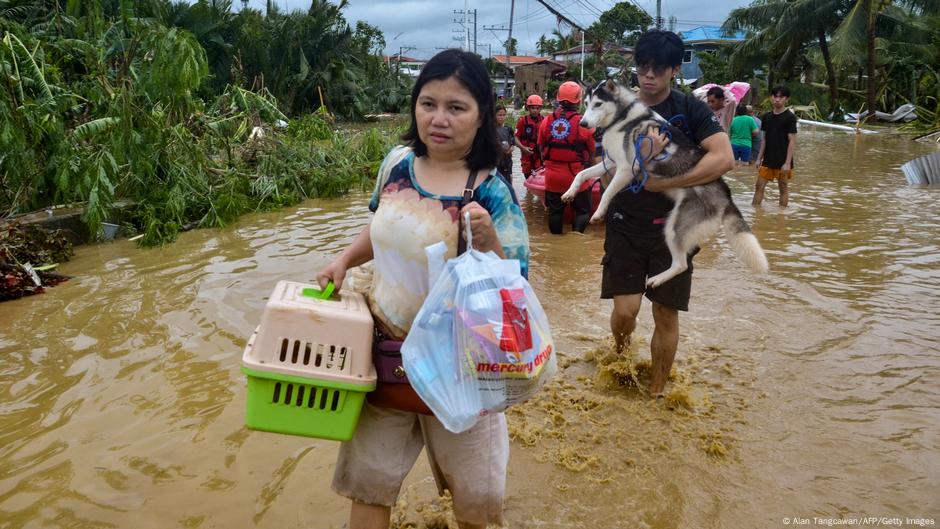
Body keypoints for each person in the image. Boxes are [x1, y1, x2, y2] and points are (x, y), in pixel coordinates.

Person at [316, 49, 530, 529]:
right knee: (369, 487)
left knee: (477, 504)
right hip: (385, 356)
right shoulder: (397, 163)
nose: (439, 119)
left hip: (463, 368)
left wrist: (492, 241)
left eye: (457, 108)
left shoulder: (491, 189)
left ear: (482, 118)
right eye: (428, 103)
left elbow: (518, 286)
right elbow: (384, 226)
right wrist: (344, 259)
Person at [603, 30, 734, 396]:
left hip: (674, 226)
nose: (649, 76)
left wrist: (660, 184)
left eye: (658, 69)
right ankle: (620, 351)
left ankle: (657, 393)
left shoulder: (690, 109)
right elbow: (605, 164)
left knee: (665, 312)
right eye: (643, 67)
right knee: (626, 312)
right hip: (625, 222)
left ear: (674, 69)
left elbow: (724, 158)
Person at [537, 81, 596, 234]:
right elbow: (592, 148)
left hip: (552, 176)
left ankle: (555, 243)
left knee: (555, 212)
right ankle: (576, 239)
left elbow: (541, 145)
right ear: (579, 99)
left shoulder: (547, 120)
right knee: (582, 211)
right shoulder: (583, 122)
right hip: (575, 175)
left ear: (558, 98)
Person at [753, 85, 797, 207]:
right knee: (759, 185)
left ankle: (781, 217)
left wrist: (787, 162)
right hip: (767, 159)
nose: (777, 99)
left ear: (786, 99)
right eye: (775, 96)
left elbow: (792, 140)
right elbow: (764, 140)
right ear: (771, 97)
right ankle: (755, 213)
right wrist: (758, 158)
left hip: (783, 159)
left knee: (782, 187)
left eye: (781, 97)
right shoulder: (767, 117)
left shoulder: (790, 117)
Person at [514, 94, 544, 178]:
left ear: (540, 109)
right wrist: (523, 148)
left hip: (539, 157)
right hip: (526, 157)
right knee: (528, 181)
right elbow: (515, 138)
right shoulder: (522, 121)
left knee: (539, 181)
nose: (535, 110)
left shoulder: (544, 121)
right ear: (528, 108)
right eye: (532, 108)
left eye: (537, 108)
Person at [495, 105, 514, 184]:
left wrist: (510, 149)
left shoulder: (508, 129)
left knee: (508, 184)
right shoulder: (490, 130)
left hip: (507, 162)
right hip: (495, 163)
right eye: (499, 115)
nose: (502, 117)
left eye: (504, 115)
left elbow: (513, 143)